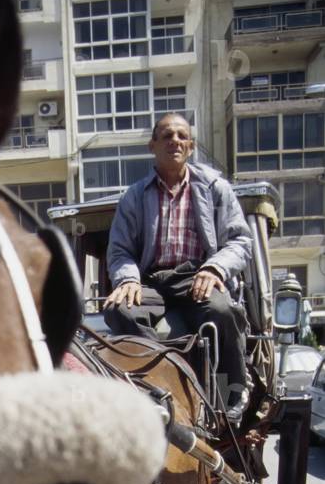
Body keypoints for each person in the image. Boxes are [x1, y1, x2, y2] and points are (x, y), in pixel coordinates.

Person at [104, 112, 253, 421]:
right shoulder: (134, 197)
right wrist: (128, 280)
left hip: (197, 277)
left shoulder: (215, 188)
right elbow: (119, 250)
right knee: (119, 310)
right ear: (152, 145)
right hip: (153, 283)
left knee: (222, 311)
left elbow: (240, 241)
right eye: (167, 136)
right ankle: (160, 382)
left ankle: (232, 395)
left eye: (182, 136)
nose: (175, 141)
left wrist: (214, 270)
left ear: (191, 145)